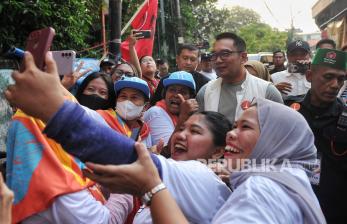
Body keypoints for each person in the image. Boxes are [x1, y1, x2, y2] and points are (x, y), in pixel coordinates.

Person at [5, 52, 231, 223]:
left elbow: (128, 157)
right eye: (182, 128)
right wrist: (58, 95)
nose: (180, 134)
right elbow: (87, 117)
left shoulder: (202, 177)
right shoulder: (108, 119)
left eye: (194, 131)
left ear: (219, 151)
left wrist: (133, 187)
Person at [85, 99, 326, 224]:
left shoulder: (261, 191)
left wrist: (151, 188)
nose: (180, 135)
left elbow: (136, 159)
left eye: (245, 127)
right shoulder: (283, 182)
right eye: (182, 128)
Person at [293, 48, 347, 223]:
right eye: (328, 77)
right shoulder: (290, 111)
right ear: (309, 76)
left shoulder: (344, 117)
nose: (335, 85)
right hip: (293, 205)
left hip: (333, 211)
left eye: (341, 79)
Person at [196, 32, 283, 124]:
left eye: (225, 54)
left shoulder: (267, 92)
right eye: (214, 55)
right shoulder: (205, 92)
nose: (218, 60)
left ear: (243, 57)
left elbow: (280, 132)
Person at [144, 71, 199, 146]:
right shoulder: (156, 112)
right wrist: (183, 116)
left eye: (183, 92)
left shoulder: (192, 117)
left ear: (191, 98)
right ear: (165, 94)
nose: (176, 95)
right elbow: (170, 151)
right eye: (172, 90)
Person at [97, 76, 152, 147]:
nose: (127, 101)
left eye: (134, 97)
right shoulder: (101, 117)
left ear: (145, 107)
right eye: (123, 96)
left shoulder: (142, 130)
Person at [271, 40, 311, 104]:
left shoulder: (317, 77)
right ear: (287, 56)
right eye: (294, 54)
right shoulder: (274, 78)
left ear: (309, 55)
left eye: (303, 54)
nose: (298, 57)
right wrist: (273, 91)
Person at [128, 32, 159, 96]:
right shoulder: (139, 80)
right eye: (144, 61)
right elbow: (137, 68)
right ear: (140, 66)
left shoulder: (161, 82)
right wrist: (131, 46)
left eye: (151, 60)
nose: (148, 62)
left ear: (156, 67)